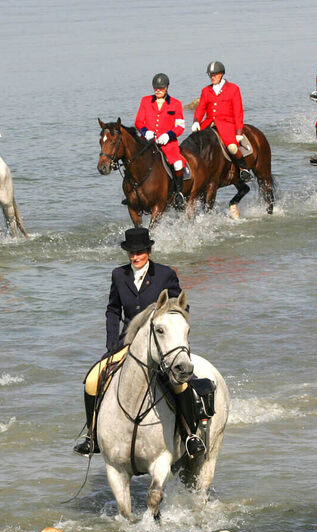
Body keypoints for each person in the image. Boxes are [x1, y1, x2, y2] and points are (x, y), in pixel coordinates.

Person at [74, 228, 207, 458]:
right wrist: (111, 344)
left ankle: (190, 436)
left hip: (158, 346)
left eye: (139, 253)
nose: (135, 258)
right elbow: (113, 310)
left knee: (180, 383)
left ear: (149, 251)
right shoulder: (119, 275)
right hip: (126, 344)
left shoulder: (165, 275)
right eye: (131, 253)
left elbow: (180, 309)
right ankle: (92, 436)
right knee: (92, 380)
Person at [190, 61, 246, 177]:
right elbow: (201, 108)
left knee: (232, 147)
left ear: (221, 74)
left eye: (214, 74)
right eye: (210, 75)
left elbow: (238, 111)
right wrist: (196, 121)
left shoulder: (233, 89)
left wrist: (239, 131)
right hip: (208, 123)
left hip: (227, 125)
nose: (212, 77)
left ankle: (243, 169)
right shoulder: (206, 90)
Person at [134, 73, 188, 192]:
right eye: (156, 88)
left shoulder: (176, 104)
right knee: (134, 160)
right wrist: (145, 132)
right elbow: (138, 122)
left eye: (161, 88)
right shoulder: (145, 101)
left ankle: (179, 193)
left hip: (168, 144)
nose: (158, 90)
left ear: (167, 88)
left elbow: (180, 127)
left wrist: (168, 135)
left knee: (178, 164)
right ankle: (132, 191)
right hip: (148, 142)